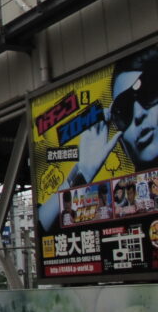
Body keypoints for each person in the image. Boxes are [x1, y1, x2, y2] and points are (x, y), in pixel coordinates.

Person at [40, 46, 158, 231]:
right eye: (123, 109)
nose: (137, 114)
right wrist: (83, 171)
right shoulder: (121, 202)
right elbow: (42, 226)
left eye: (149, 92)